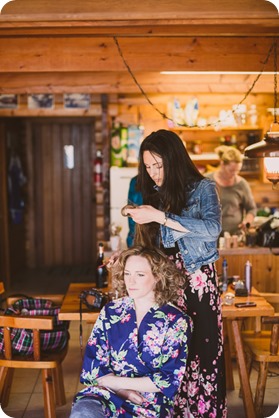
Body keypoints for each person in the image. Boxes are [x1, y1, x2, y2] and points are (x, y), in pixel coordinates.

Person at [122, 129, 227, 418]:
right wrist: (129, 260)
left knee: (202, 355)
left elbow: (212, 229)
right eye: (148, 167)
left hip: (196, 284)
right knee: (169, 358)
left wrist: (160, 216)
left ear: (174, 160)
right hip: (165, 287)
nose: (154, 173)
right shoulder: (154, 195)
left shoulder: (203, 188)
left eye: (159, 165)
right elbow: (148, 248)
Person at [70, 246, 193, 418]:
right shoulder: (111, 311)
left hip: (148, 402)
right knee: (83, 412)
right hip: (107, 394)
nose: (131, 281)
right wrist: (122, 390)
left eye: (140, 275)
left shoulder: (176, 321)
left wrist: (116, 381)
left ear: (158, 276)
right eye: (127, 274)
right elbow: (94, 366)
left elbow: (167, 379)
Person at [205, 145, 257, 236]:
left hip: (234, 235)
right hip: (209, 235)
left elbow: (251, 209)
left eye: (237, 170)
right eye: (231, 170)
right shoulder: (206, 181)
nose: (234, 174)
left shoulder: (242, 184)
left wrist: (247, 221)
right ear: (222, 164)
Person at [126, 175, 143, 247]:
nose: (152, 173)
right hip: (136, 239)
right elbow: (130, 213)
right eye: (148, 167)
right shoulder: (135, 181)